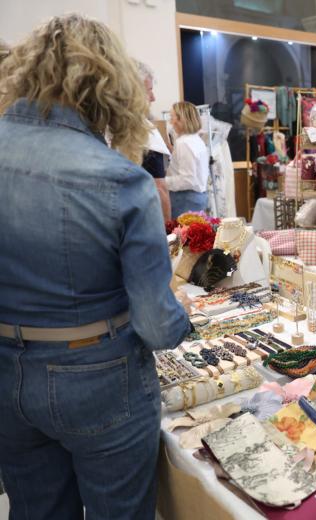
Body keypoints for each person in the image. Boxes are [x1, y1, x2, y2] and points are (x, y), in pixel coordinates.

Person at [0, 14, 191, 520]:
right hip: (100, 378)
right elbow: (157, 325)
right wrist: (183, 318)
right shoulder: (120, 179)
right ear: (109, 86)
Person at [137, 61, 172, 221]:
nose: (153, 98)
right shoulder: (145, 131)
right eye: (149, 91)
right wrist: (168, 233)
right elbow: (160, 189)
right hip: (143, 220)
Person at [166, 101, 210, 218]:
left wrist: (162, 182)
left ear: (181, 119)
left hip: (185, 199)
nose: (170, 122)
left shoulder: (184, 143)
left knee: (183, 235)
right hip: (195, 197)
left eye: (172, 117)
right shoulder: (196, 140)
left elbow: (187, 180)